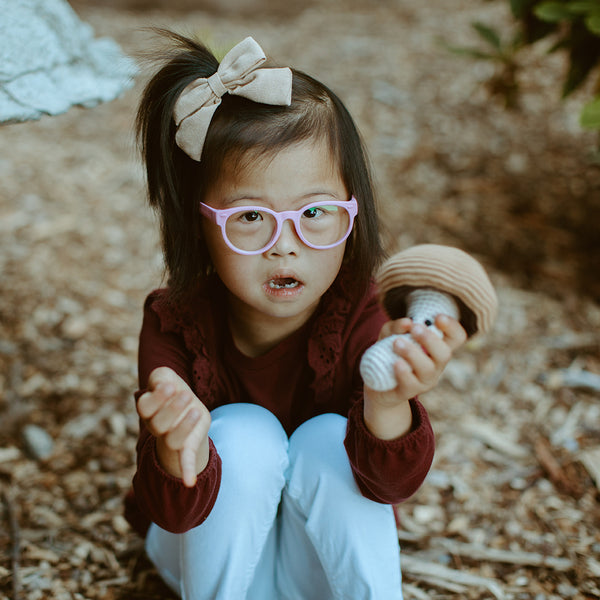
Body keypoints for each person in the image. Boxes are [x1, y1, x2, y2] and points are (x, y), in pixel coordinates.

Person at [123, 31, 466, 600]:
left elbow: (388, 485)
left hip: (319, 563)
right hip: (209, 556)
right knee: (243, 433)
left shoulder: (364, 312)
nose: (287, 245)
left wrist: (389, 402)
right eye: (251, 217)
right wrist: (175, 445)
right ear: (200, 226)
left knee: (330, 438)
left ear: (353, 212)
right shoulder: (174, 323)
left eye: (315, 212)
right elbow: (174, 514)